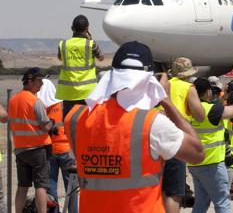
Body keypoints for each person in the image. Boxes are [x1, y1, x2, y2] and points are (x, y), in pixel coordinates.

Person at [65, 41, 204, 213]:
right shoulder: (151, 123)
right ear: (148, 80)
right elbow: (197, 154)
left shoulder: (75, 119)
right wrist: (166, 101)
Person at [188, 77, 233, 213]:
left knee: (201, 203)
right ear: (208, 91)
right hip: (212, 163)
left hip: (195, 164)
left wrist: (225, 96)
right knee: (222, 202)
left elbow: (218, 107)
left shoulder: (189, 110)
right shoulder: (211, 110)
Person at [161, 57, 205, 213]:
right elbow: (200, 116)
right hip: (175, 138)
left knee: (159, 188)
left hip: (154, 135)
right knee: (174, 192)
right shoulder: (188, 87)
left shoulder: (162, 85)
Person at [10, 68, 51, 213]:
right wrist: (52, 124)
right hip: (38, 149)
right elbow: (45, 126)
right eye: (39, 81)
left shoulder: (13, 100)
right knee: (41, 186)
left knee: (22, 186)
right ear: (30, 81)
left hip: (21, 150)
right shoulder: (35, 101)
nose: (41, 84)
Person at [37, 78, 76, 212]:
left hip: (49, 152)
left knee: (51, 187)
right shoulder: (65, 105)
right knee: (71, 187)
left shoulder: (41, 108)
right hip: (66, 151)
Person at [57, 14, 104, 117]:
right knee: (86, 124)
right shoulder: (91, 44)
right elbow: (101, 57)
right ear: (87, 29)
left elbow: (60, 58)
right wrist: (90, 39)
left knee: (68, 124)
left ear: (72, 28)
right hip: (87, 92)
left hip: (69, 92)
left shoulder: (63, 44)